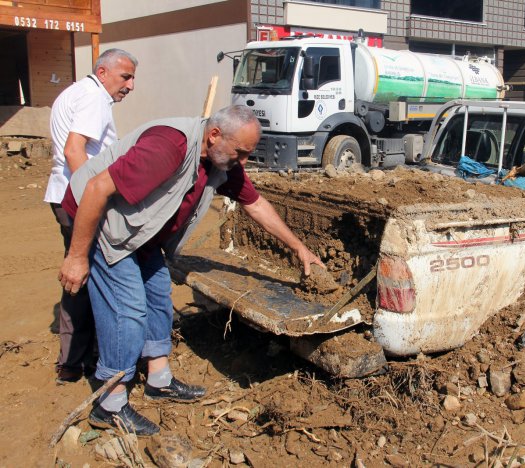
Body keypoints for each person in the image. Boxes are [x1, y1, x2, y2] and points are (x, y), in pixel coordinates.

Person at [58, 105, 323, 436]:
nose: (243, 162)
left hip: (140, 232)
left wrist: (299, 247)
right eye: (240, 153)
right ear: (214, 136)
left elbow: (255, 204)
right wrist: (77, 257)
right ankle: (109, 405)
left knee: (157, 295)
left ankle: (158, 379)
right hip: (102, 223)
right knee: (126, 310)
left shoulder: (220, 159)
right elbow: (96, 189)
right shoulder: (169, 147)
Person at [44, 48, 138, 384]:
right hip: (77, 200)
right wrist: (91, 202)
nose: (130, 85)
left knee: (78, 277)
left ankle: (74, 360)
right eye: (125, 76)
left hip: (63, 195)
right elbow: (74, 150)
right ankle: (88, 360)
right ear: (102, 71)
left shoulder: (75, 92)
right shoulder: (94, 98)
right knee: (91, 276)